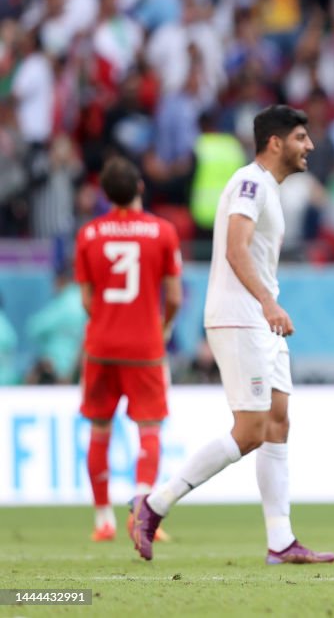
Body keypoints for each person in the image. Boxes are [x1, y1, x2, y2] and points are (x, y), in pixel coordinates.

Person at [130, 105, 334, 565]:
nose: (311, 146)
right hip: (242, 317)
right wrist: (268, 302)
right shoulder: (250, 183)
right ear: (276, 142)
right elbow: (235, 249)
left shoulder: (271, 190)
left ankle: (280, 541)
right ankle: (154, 504)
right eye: (302, 137)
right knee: (250, 431)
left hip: (261, 319)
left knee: (279, 420)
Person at [74, 157, 183, 542]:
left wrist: (107, 319)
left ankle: (103, 519)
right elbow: (174, 295)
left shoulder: (89, 234)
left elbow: (86, 299)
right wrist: (162, 325)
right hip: (145, 347)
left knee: (100, 430)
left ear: (104, 194)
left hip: (101, 346)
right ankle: (142, 512)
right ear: (140, 187)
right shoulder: (163, 232)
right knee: (149, 429)